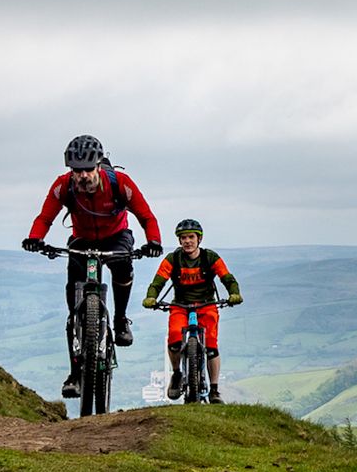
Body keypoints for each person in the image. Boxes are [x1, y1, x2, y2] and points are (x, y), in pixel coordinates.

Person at [22, 135, 163, 399]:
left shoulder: (120, 183)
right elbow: (45, 217)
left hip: (116, 236)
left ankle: (120, 320)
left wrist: (153, 242)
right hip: (82, 239)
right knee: (74, 308)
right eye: (77, 170)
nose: (83, 175)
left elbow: (146, 216)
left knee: (122, 265)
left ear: (99, 165)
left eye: (88, 169)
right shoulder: (63, 186)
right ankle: (75, 374)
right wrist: (34, 238)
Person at [141, 218, 242, 402]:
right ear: (179, 241)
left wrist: (234, 293)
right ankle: (177, 373)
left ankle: (214, 389)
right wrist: (151, 297)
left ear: (199, 239)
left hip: (206, 304)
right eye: (183, 238)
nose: (187, 241)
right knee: (174, 338)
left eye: (191, 237)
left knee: (211, 345)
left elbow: (227, 277)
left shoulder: (210, 257)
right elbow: (158, 281)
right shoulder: (173, 259)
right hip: (181, 305)